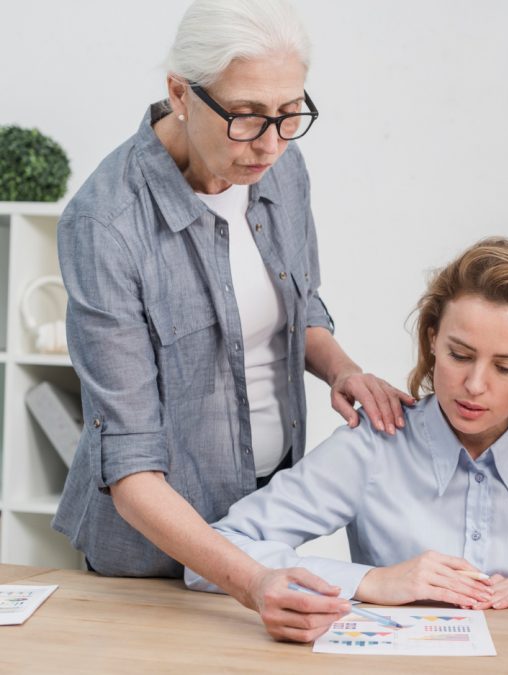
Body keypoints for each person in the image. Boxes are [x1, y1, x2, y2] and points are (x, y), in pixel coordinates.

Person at [53, 0, 412, 590]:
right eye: (245, 116)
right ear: (180, 93)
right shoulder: (105, 226)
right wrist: (252, 582)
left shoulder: (283, 170)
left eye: (289, 114)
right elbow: (130, 467)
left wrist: (342, 370)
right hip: (153, 557)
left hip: (262, 522)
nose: (270, 144)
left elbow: (299, 305)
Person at [185, 237, 508, 642]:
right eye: (459, 355)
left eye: (506, 367)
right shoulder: (375, 444)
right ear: (432, 340)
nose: (475, 385)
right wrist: (371, 582)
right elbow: (213, 554)